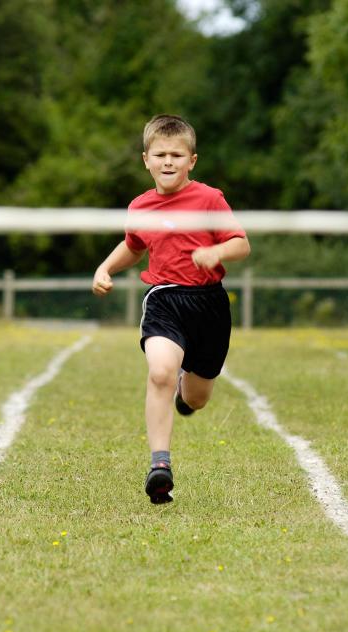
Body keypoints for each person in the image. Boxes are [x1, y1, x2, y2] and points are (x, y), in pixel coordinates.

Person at [92, 114, 250, 504]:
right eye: (160, 154)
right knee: (160, 372)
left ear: (191, 161)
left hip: (210, 303)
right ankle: (159, 466)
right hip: (164, 298)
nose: (167, 162)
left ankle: (185, 392)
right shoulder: (140, 206)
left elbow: (241, 245)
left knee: (196, 398)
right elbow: (134, 245)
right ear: (145, 159)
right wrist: (105, 267)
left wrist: (215, 250)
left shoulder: (210, 199)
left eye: (176, 155)